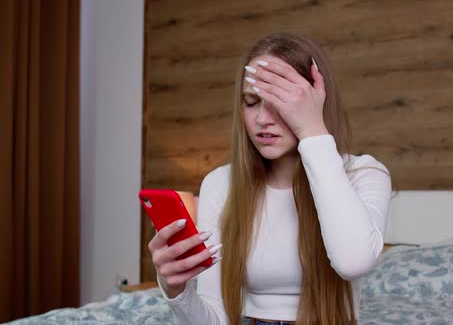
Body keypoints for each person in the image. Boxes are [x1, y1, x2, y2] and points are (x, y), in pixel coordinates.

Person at [147, 32, 393, 325]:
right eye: (251, 102)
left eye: (279, 102)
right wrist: (176, 290)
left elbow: (353, 262)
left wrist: (313, 130)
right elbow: (214, 318)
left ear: (315, 102)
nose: (262, 119)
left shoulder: (362, 174)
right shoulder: (221, 184)